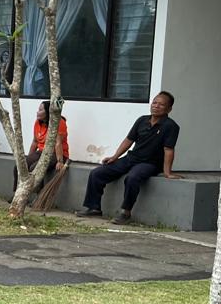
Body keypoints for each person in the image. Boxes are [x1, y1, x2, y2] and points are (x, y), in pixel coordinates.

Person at [77, 91, 181, 224]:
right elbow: (129, 140)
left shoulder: (171, 126)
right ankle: (93, 208)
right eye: (154, 102)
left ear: (169, 109)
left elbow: (168, 150)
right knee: (97, 173)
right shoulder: (142, 120)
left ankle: (125, 213)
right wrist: (115, 157)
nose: (156, 106)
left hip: (150, 163)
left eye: (161, 104)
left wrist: (167, 172)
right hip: (131, 158)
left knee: (132, 178)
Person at [27, 100, 68, 174]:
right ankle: (19, 186)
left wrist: (60, 161)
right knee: (20, 167)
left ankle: (38, 186)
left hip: (55, 153)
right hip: (41, 152)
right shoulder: (38, 122)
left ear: (48, 112)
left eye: (40, 110)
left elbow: (58, 143)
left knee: (34, 168)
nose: (37, 112)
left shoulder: (59, 122)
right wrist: (29, 157)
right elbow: (35, 142)